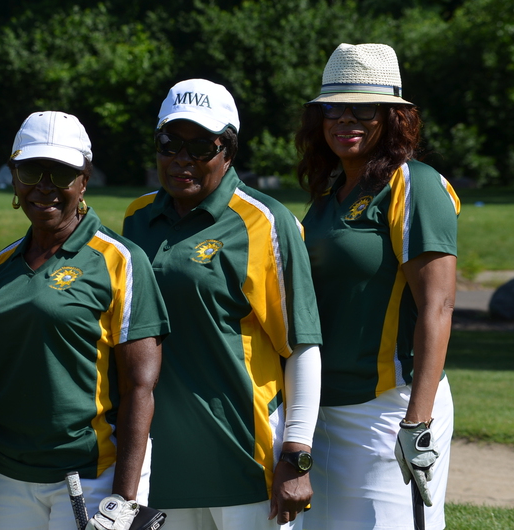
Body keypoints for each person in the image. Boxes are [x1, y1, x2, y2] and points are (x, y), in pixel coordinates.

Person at [122, 79, 323, 530]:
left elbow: (302, 344)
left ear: (228, 152)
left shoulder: (265, 221)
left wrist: (297, 453)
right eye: (170, 143)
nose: (182, 159)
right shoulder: (137, 218)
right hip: (159, 463)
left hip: (245, 461)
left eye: (201, 147)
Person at [0, 111, 170, 530]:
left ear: (84, 180)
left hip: (90, 478)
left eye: (61, 174)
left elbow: (140, 387)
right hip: (3, 475)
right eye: (31, 171)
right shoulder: (0, 267)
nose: (44, 186)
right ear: (14, 176)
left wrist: (124, 499)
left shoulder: (120, 260)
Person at [295, 43, 461, 529]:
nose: (346, 118)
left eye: (364, 107)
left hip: (389, 410)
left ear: (392, 117)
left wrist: (418, 421)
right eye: (333, 108)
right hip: (323, 407)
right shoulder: (329, 193)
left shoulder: (413, 183)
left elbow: (439, 305)